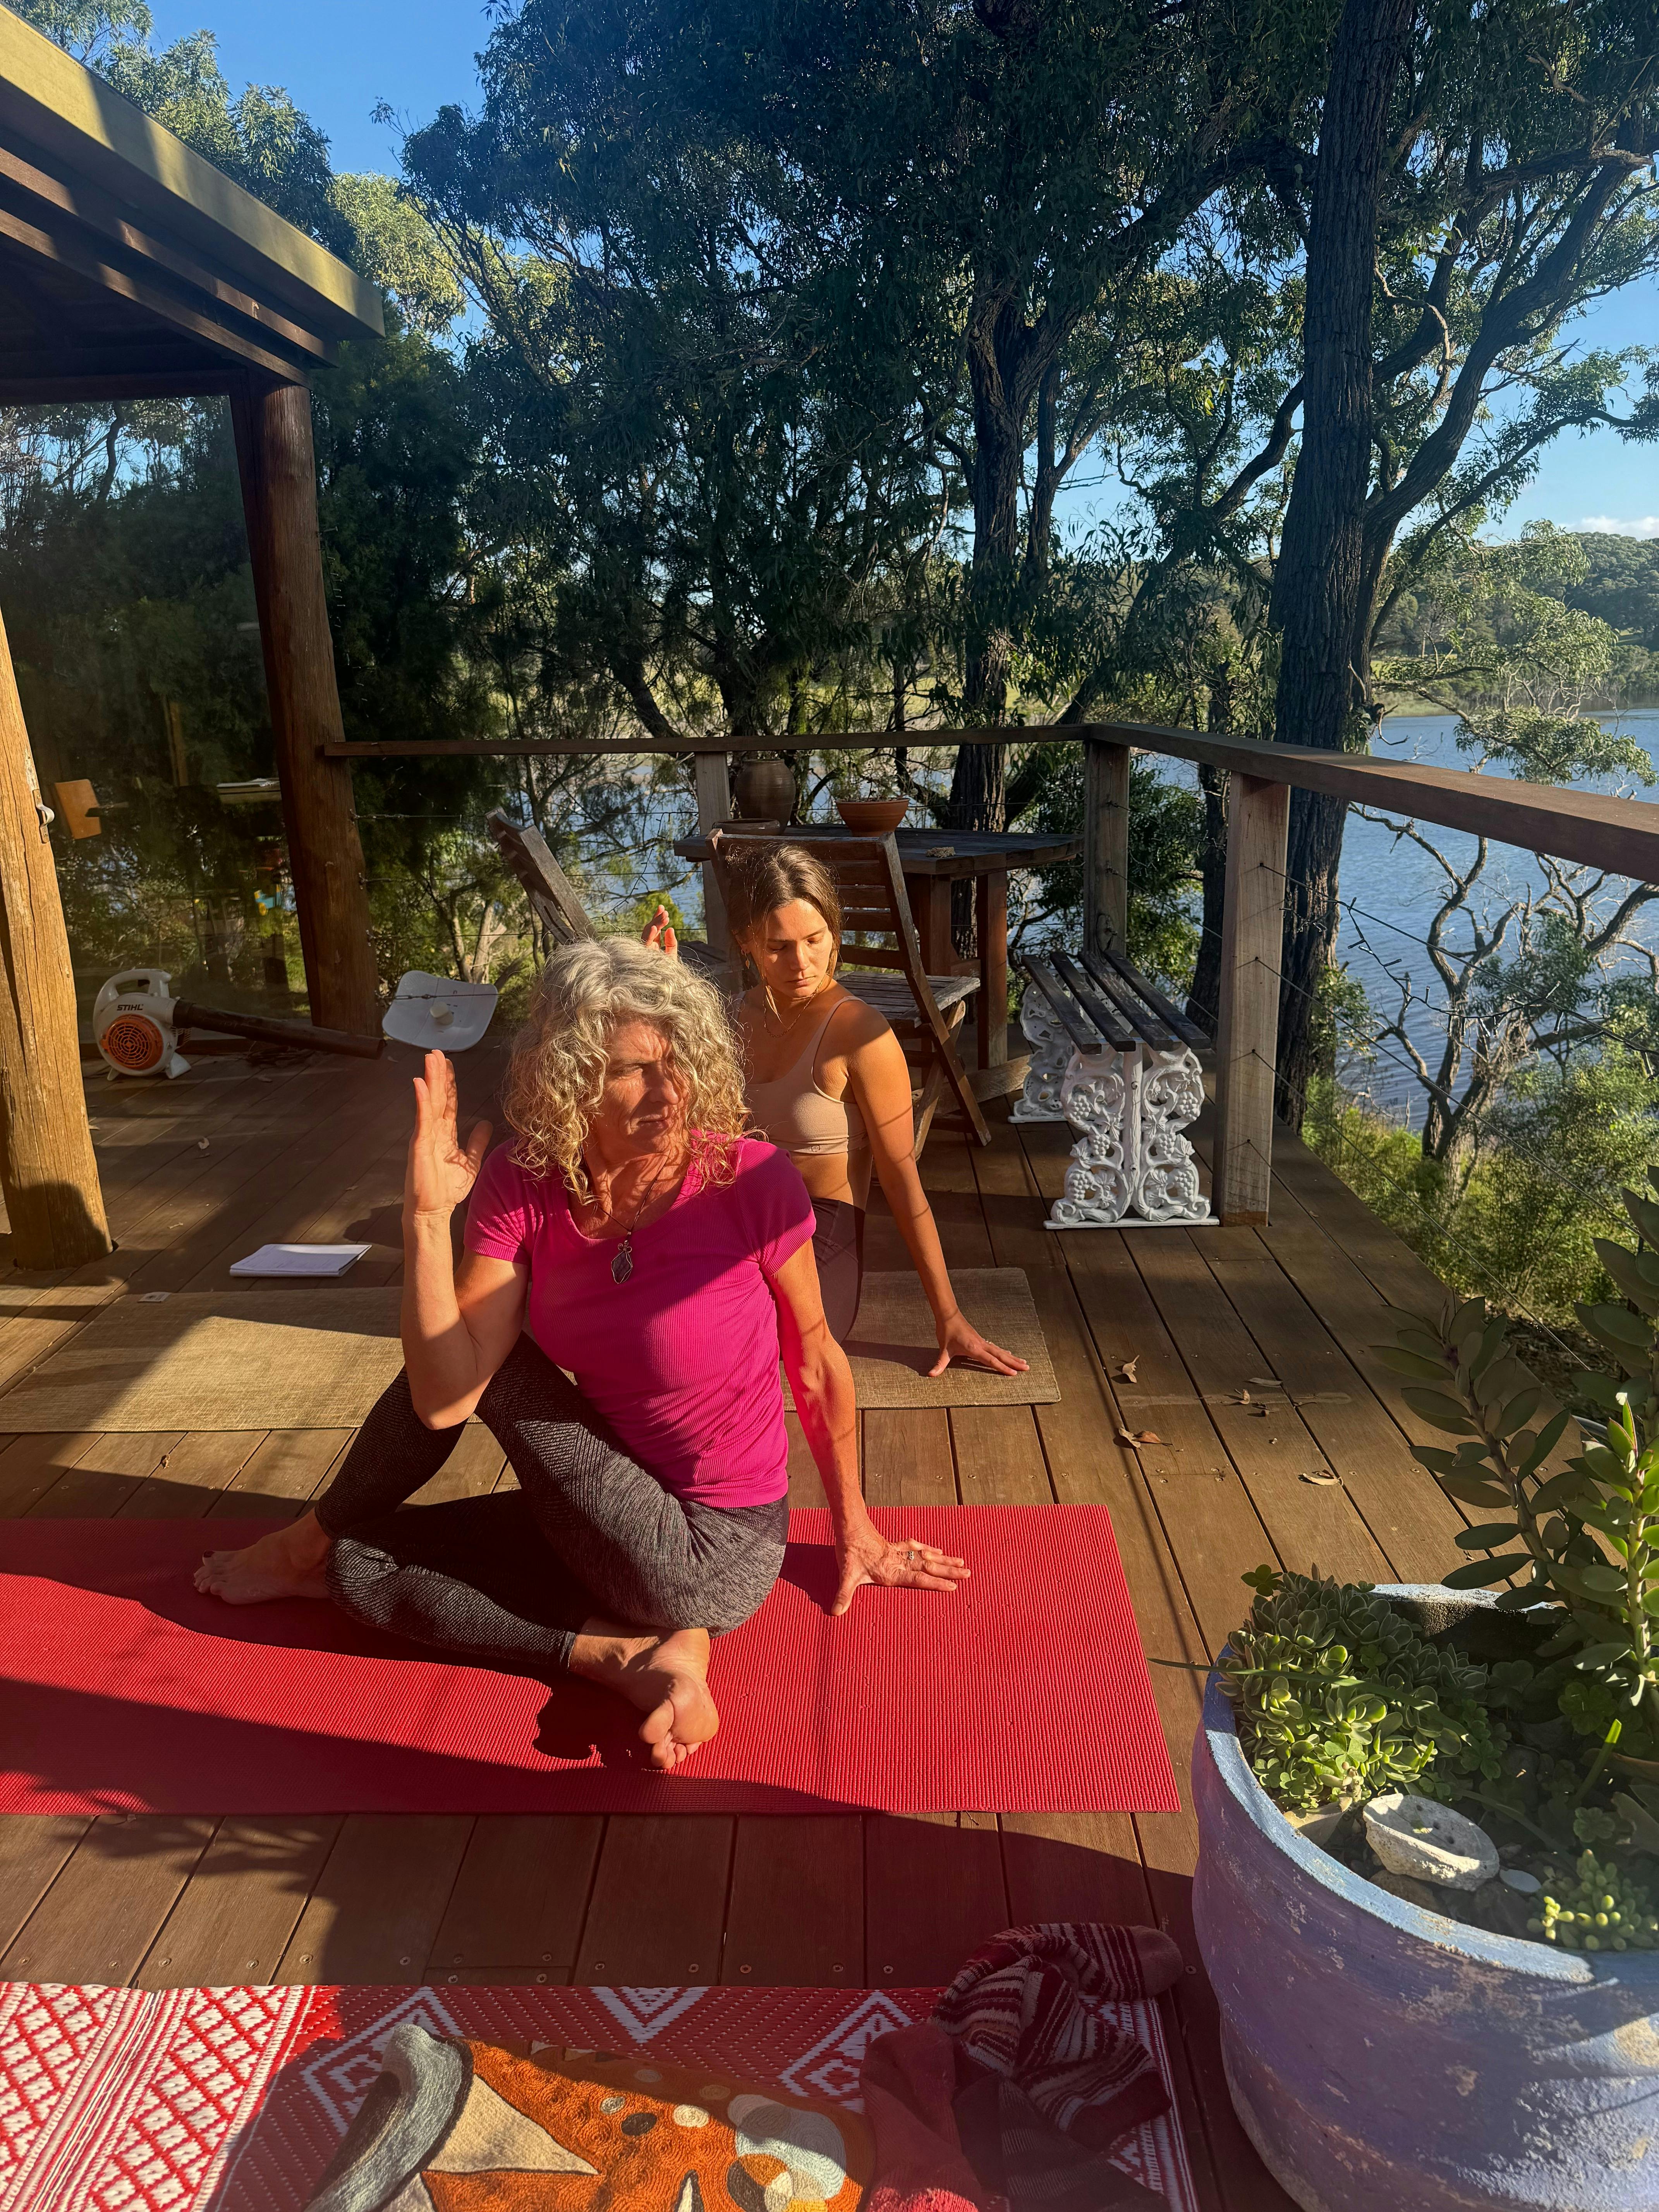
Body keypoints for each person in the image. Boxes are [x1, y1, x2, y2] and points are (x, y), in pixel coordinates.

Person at [195, 938, 967, 1771]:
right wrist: (425, 1219)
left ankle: (305, 1539)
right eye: (630, 1071)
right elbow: (443, 1397)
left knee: (493, 1360)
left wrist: (857, 1531)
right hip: (607, 1514)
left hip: (720, 1549)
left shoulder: (750, 1180)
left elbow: (815, 1359)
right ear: (567, 1078)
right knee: (363, 1570)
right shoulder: (523, 1185)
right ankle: (630, 1658)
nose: (667, 1093)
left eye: (677, 1063)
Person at [646, 843, 1027, 1373]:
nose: (801, 963)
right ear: (746, 942)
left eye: (814, 940)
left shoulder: (862, 1035)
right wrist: (659, 996)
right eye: (778, 947)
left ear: (835, 933)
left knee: (731, 1338)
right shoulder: (730, 1019)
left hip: (815, 1229)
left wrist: (949, 1314)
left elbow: (901, 1177)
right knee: (648, 1319)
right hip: (732, 1216)